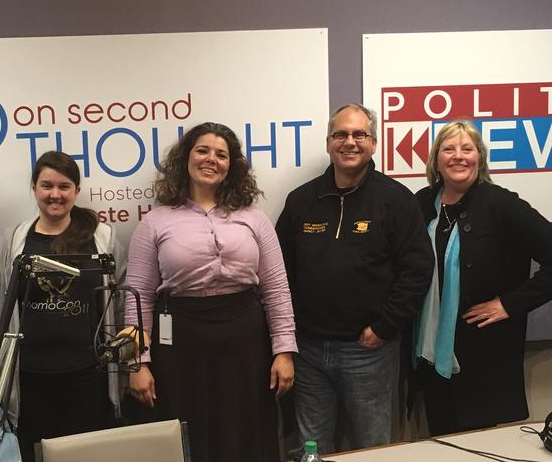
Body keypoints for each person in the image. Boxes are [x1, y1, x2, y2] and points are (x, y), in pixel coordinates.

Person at [125, 122, 297, 462]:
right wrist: (136, 364)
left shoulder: (254, 218)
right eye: (202, 150)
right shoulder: (155, 222)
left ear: (231, 165)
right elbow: (138, 296)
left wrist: (284, 351)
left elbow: (276, 288)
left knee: (244, 429)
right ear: (185, 158)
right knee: (187, 431)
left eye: (221, 154)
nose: (211, 159)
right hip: (179, 343)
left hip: (245, 339)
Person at [276, 103, 433, 454]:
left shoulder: (395, 200)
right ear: (329, 143)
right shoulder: (301, 200)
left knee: (371, 447)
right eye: (341, 134)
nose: (350, 142)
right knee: (309, 446)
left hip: (369, 351)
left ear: (374, 143)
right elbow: (278, 272)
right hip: (309, 350)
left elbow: (418, 269)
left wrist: (385, 326)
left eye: (359, 134)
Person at [0, 151, 126, 462]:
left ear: (77, 191)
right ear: (34, 188)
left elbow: (119, 307)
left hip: (88, 377)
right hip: (28, 379)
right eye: (46, 186)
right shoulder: (13, 243)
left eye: (64, 186)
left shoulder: (103, 240)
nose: (55, 195)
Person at [412, 120, 552, 435]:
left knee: (478, 446)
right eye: (448, 149)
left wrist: (510, 304)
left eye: (467, 148)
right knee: (441, 444)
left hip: (483, 357)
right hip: (430, 354)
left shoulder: (501, 204)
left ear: (480, 158)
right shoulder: (421, 203)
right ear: (436, 160)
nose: (458, 156)